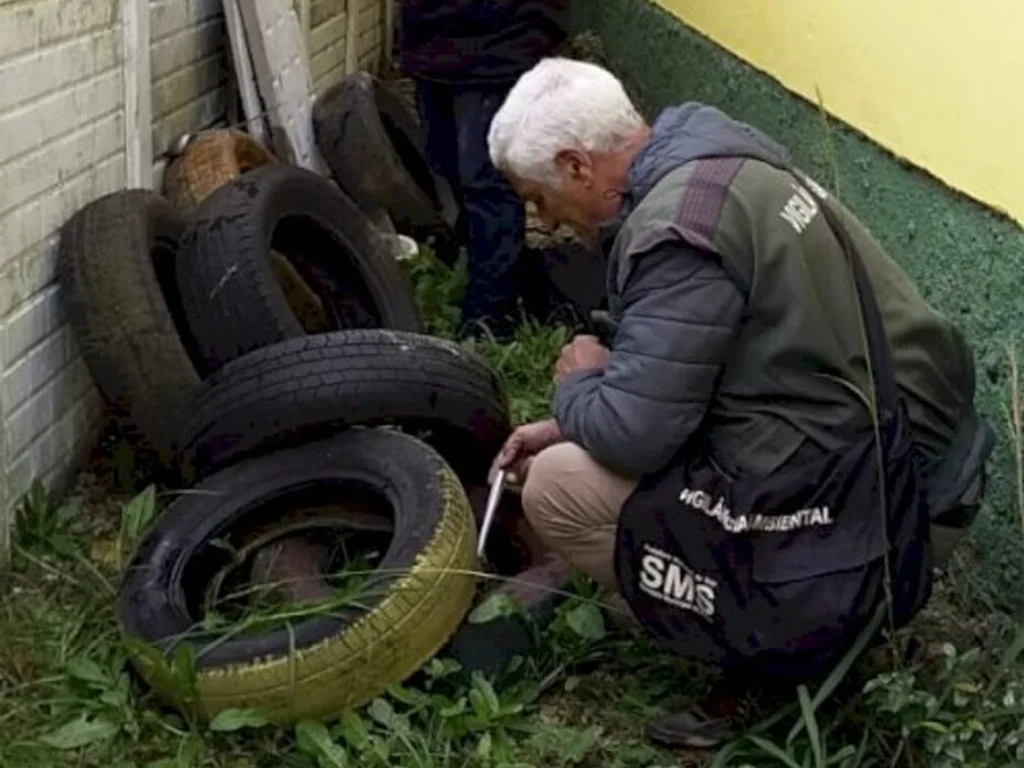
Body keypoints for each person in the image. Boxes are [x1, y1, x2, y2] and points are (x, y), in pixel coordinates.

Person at [486, 58, 993, 748]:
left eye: (537, 198)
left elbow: (635, 435)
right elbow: (698, 365)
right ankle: (787, 616)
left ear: (576, 166)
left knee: (558, 486)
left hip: (885, 508)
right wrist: (574, 419)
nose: (542, 221)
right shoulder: (721, 160)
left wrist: (577, 386)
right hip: (922, 458)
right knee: (587, 449)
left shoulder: (677, 229)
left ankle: (765, 650)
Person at [397, 0, 567, 339]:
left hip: (499, 47)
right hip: (433, 46)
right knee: (446, 166)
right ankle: (517, 279)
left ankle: (488, 320)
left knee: (486, 183)